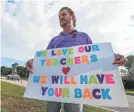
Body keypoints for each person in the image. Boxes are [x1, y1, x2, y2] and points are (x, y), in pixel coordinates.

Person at [26, 7, 127, 112]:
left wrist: (115, 56)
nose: (60, 17)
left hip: (76, 85)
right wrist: (33, 61)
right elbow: (45, 59)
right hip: (54, 84)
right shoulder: (54, 40)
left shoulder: (83, 37)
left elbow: (95, 55)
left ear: (72, 17)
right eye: (59, 16)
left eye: (64, 14)